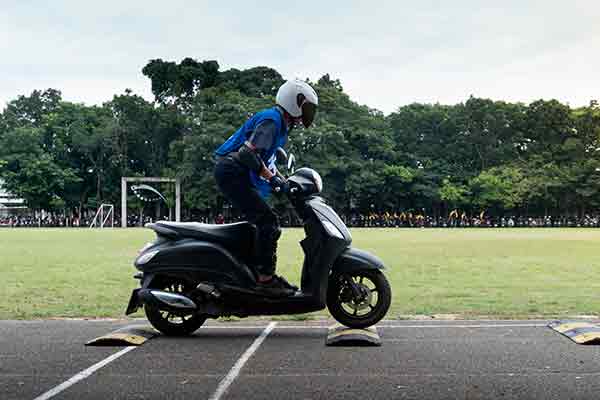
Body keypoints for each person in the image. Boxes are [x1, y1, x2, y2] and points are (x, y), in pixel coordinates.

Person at [213, 79, 318, 296]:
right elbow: (247, 153)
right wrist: (272, 179)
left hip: (234, 172)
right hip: (232, 171)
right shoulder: (272, 120)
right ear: (294, 101)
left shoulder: (279, 124)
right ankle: (265, 279)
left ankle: (250, 273)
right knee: (268, 222)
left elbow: (265, 161)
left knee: (258, 224)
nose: (307, 113)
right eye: (305, 106)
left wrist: (282, 180)